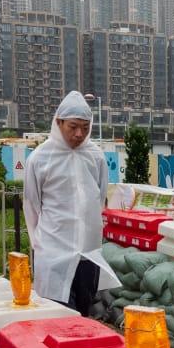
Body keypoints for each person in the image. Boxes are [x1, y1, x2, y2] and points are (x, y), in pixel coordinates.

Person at [23, 91, 119, 313]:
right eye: (73, 127)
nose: (79, 134)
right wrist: (39, 243)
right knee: (55, 314)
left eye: (85, 128)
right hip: (53, 249)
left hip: (88, 251)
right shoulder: (40, 158)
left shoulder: (95, 156)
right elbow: (32, 205)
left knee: (83, 314)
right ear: (59, 122)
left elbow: (99, 197)